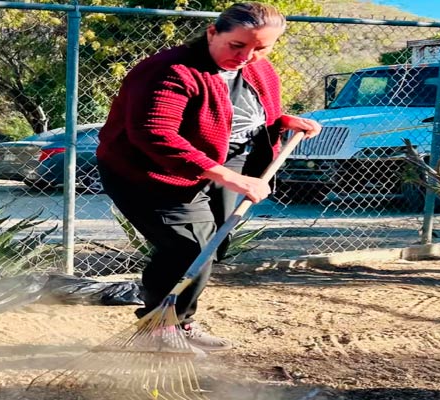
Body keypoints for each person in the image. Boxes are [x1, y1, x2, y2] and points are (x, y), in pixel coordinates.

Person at [96, 2, 321, 352]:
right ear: (213, 32)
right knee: (190, 247)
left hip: (227, 164)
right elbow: (156, 134)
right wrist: (230, 179)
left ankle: (178, 323)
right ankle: (158, 328)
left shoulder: (260, 70)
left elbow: (247, 113)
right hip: (151, 172)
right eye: (237, 46)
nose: (247, 56)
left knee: (211, 247)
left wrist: (284, 121)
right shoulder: (169, 70)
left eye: (261, 48)